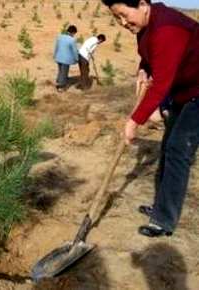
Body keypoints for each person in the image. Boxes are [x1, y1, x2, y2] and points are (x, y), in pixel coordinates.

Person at [102, 0, 199, 237]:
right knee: (168, 147)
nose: (124, 23)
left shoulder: (167, 29)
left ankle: (164, 221)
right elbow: (150, 54)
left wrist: (134, 121)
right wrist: (143, 68)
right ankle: (162, 207)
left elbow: (161, 84)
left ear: (143, 4)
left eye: (125, 15)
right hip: (185, 91)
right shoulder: (146, 25)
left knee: (178, 150)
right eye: (117, 18)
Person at [53, 25, 79, 92]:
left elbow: (56, 47)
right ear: (73, 32)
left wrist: (55, 55)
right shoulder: (72, 40)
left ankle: (58, 81)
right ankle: (61, 87)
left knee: (60, 70)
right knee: (64, 73)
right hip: (66, 59)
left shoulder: (60, 37)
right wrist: (77, 59)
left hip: (58, 57)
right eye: (74, 33)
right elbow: (75, 51)